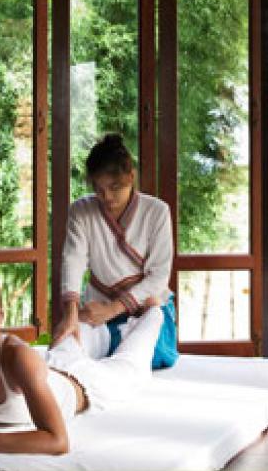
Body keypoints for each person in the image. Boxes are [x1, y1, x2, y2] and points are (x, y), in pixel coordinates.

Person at [0, 269, 163, 455]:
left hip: (88, 385)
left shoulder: (16, 355)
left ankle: (152, 310)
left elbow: (57, 441)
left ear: (1, 316)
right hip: (53, 364)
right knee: (77, 329)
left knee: (133, 356)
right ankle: (105, 325)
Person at [52, 133, 178, 369]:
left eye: (115, 187)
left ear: (131, 176)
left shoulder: (157, 211)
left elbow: (159, 276)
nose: (107, 197)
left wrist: (112, 310)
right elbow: (73, 261)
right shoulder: (81, 210)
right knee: (67, 347)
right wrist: (71, 315)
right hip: (98, 306)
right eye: (99, 189)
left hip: (145, 306)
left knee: (148, 349)